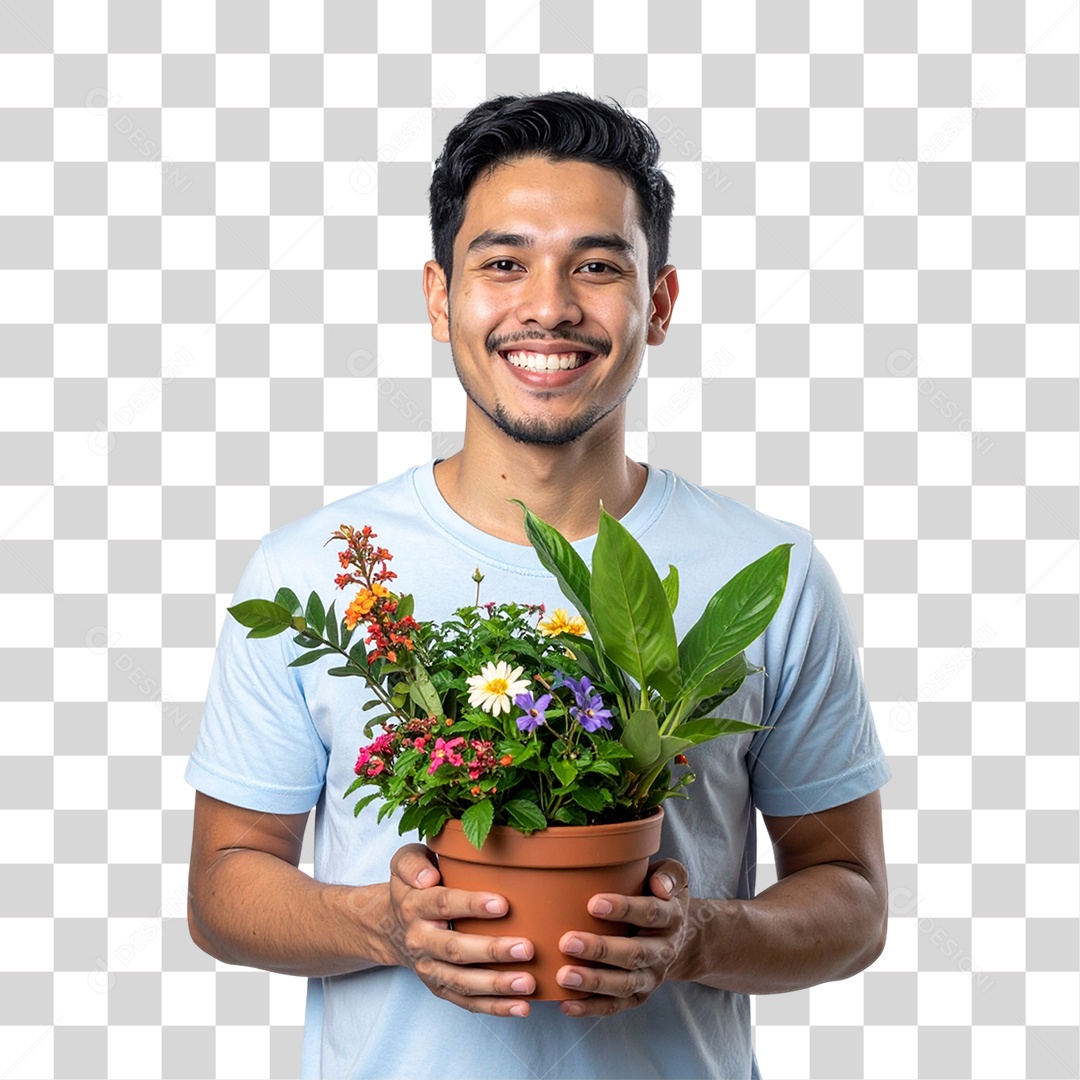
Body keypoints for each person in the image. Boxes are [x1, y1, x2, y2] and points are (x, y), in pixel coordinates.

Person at [186, 91, 891, 1079]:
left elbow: (850, 897)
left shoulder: (765, 574)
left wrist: (696, 937)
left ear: (660, 302)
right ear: (440, 298)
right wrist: (382, 925)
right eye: (503, 262)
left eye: (598, 266)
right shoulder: (313, 566)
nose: (549, 305)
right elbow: (222, 888)